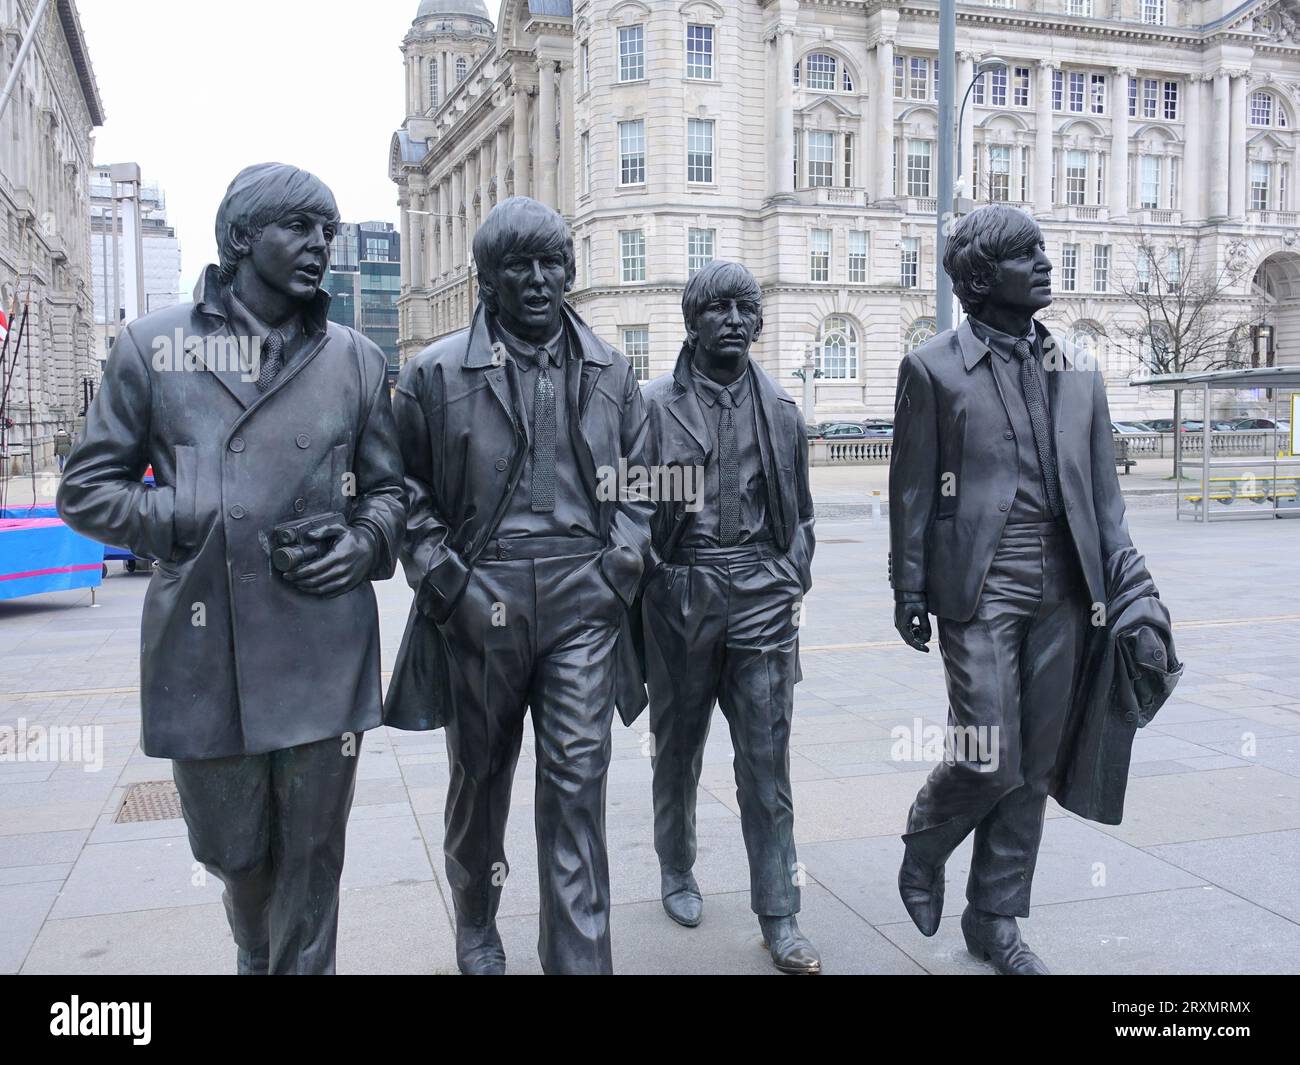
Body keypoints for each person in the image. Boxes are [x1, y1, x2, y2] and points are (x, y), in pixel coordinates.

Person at [58, 163, 405, 975]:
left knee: (314, 864)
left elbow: (392, 492)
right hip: (205, 653)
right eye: (299, 227)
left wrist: (364, 542)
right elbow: (86, 488)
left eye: (328, 230)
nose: (320, 243)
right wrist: (174, 517)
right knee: (236, 855)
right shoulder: (154, 346)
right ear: (243, 238)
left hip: (325, 647)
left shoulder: (354, 357)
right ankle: (255, 944)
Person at [384, 197, 654, 975]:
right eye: (519, 266)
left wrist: (621, 565)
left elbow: (641, 483)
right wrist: (447, 583)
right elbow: (404, 491)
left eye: (552, 263)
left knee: (577, 782)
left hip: (584, 596)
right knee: (481, 778)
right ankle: (476, 919)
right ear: (487, 279)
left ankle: (579, 960)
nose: (539, 280)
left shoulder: (611, 369)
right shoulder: (434, 372)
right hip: (482, 593)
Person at [889, 203, 1155, 974]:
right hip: (978, 585)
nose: (1044, 264)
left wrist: (1132, 592)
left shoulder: (1077, 370)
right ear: (979, 277)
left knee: (1033, 764)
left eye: (1043, 251)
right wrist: (909, 586)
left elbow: (1106, 499)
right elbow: (912, 491)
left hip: (1068, 588)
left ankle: (995, 918)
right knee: (985, 752)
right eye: (1025, 254)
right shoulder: (932, 368)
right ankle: (926, 839)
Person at [637, 261, 820, 974]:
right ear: (693, 320)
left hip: (762, 594)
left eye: (746, 307)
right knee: (677, 748)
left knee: (766, 763)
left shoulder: (779, 407)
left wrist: (787, 572)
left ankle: (780, 913)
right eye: (718, 308)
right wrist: (658, 578)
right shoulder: (652, 404)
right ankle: (676, 865)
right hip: (682, 592)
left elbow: (800, 514)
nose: (736, 319)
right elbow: (625, 506)